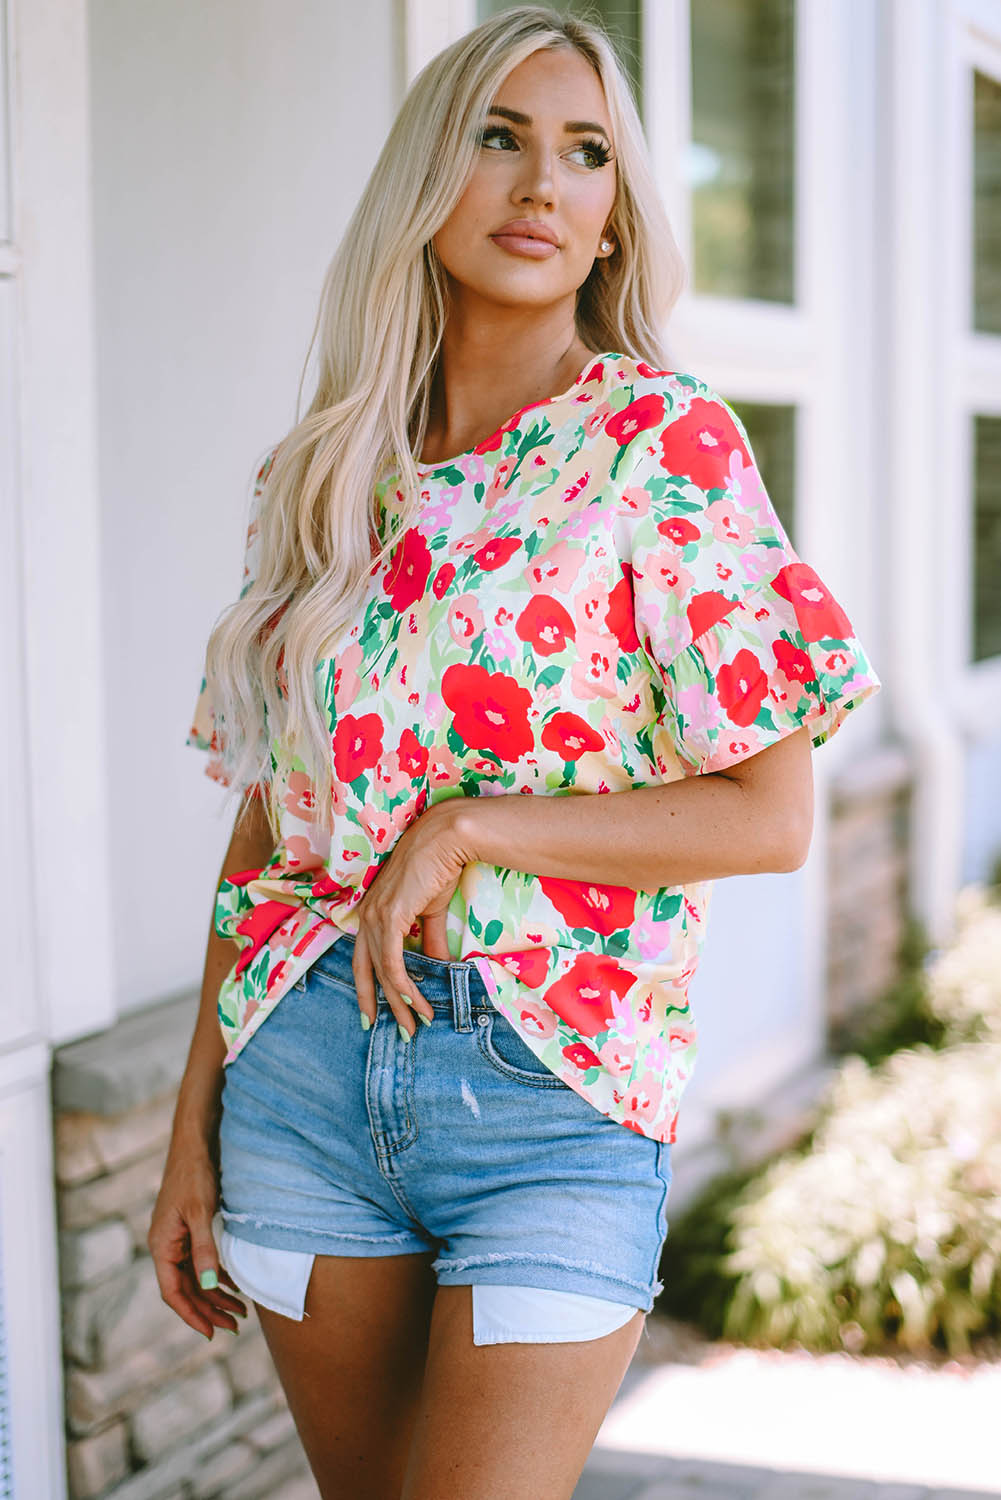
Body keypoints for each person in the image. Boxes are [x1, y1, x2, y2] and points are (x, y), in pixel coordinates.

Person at [149, 6, 882, 1496]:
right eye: (500, 137)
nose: (541, 186)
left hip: (551, 1088)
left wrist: (471, 827)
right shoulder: (322, 475)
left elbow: (767, 813)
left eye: (585, 153)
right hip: (297, 1077)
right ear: (429, 177)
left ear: (616, 220)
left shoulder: (658, 446)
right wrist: (189, 1129)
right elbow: (265, 832)